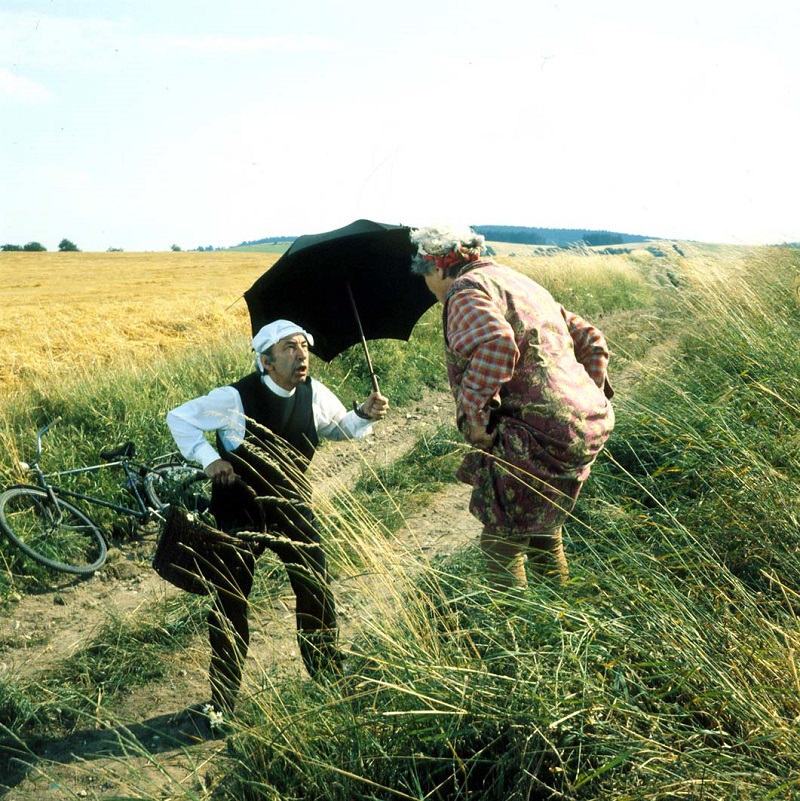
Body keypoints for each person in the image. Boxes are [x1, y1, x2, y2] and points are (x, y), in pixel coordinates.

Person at [166, 319, 388, 723]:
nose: (301, 354)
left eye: (303, 346)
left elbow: (342, 429)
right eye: (289, 348)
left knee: (316, 588)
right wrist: (209, 458)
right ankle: (222, 704)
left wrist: (365, 413)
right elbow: (179, 418)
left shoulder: (314, 392)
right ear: (265, 360)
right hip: (238, 511)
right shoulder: (234, 397)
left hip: (293, 507)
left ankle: (327, 676)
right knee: (229, 602)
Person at [410, 224, 614, 590]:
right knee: (543, 532)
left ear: (437, 269)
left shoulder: (464, 290)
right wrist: (583, 397)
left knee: (500, 544)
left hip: (539, 433)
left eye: (427, 279)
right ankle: (559, 613)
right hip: (587, 424)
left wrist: (475, 416)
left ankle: (516, 630)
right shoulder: (518, 282)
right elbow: (592, 340)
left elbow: (497, 345)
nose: (430, 290)